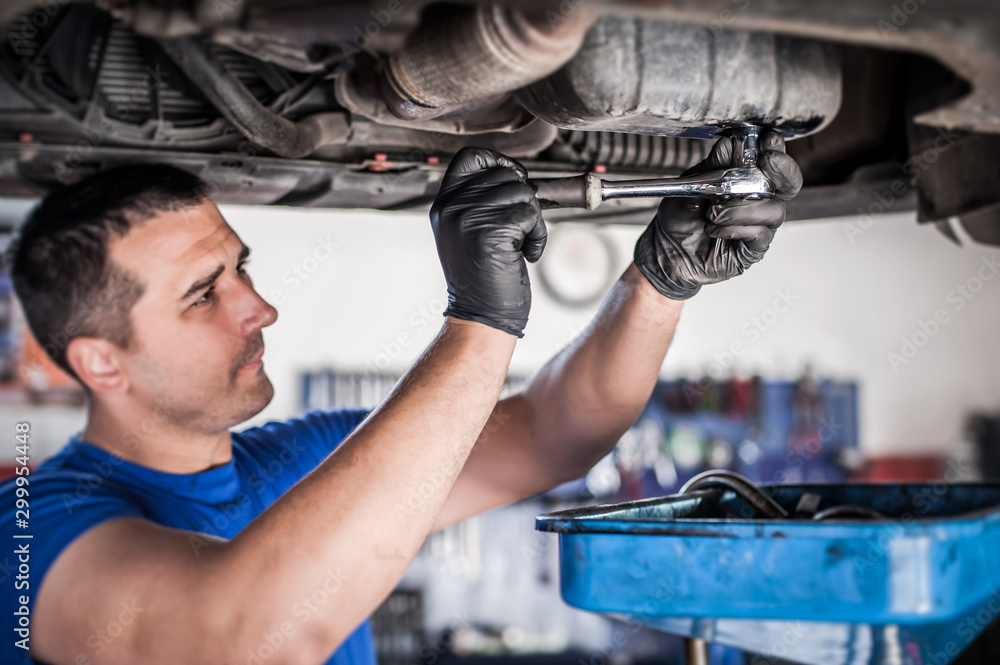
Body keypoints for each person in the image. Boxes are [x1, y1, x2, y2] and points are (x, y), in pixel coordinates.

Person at [0, 134, 800, 665]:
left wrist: (661, 279)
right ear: (100, 362)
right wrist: (480, 323)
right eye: (205, 294)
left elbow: (556, 432)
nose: (260, 308)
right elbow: (243, 639)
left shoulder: (311, 459)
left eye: (241, 268)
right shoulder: (34, 532)